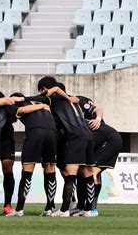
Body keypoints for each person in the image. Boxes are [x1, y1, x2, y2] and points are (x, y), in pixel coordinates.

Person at [37, 77, 97, 217]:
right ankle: (88, 209)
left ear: (45, 89)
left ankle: (64, 209)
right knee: (87, 172)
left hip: (75, 136)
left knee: (71, 172)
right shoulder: (73, 99)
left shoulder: (53, 98)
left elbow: (55, 90)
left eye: (42, 90)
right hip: (88, 135)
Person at [5, 93, 58, 217]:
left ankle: (19, 209)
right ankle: (50, 207)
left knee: (28, 169)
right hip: (52, 133)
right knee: (50, 168)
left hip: (35, 132)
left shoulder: (17, 104)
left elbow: (22, 110)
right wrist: (43, 106)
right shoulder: (39, 102)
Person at [76, 95, 122, 217]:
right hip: (94, 142)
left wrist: (98, 119)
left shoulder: (78, 100)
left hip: (106, 141)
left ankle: (92, 208)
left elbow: (98, 110)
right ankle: (81, 206)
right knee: (83, 173)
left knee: (93, 172)